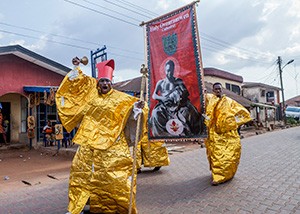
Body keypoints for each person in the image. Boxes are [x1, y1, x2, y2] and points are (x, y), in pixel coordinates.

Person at [56, 57, 146, 214]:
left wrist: (138, 109)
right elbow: (75, 87)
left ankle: (121, 206)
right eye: (102, 81)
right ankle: (80, 204)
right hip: (88, 144)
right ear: (98, 82)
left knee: (115, 178)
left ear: (111, 83)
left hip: (112, 145)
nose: (104, 84)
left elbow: (134, 111)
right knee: (81, 173)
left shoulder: (121, 99)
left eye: (107, 81)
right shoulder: (90, 96)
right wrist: (76, 67)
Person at [204, 82, 252, 186]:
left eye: (219, 89)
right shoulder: (209, 99)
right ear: (213, 90)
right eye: (216, 89)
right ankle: (218, 174)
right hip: (214, 134)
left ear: (222, 90)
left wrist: (231, 123)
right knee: (216, 154)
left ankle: (225, 174)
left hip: (228, 134)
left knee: (229, 155)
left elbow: (245, 114)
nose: (218, 91)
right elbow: (201, 102)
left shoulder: (229, 102)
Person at [150, 59, 200, 137]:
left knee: (187, 111)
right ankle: (162, 134)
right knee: (155, 113)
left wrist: (179, 94)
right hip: (164, 105)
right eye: (167, 70)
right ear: (165, 70)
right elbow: (154, 95)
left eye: (171, 71)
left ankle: (188, 133)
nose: (169, 73)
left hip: (178, 105)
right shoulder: (161, 82)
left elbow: (186, 93)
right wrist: (163, 98)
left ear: (174, 70)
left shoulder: (178, 81)